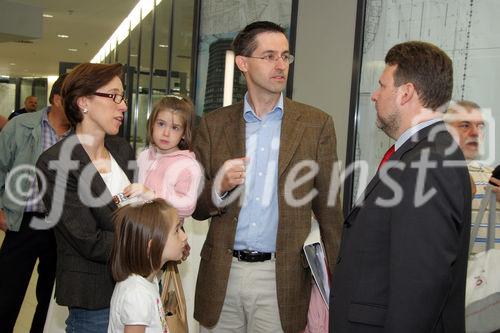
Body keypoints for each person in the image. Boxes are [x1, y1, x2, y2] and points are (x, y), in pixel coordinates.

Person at [192, 21, 343, 333]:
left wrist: (339, 279)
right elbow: (197, 206)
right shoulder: (213, 125)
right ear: (243, 63)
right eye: (270, 56)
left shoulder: (316, 125)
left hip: (283, 279)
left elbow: (330, 211)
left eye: (285, 57)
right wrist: (219, 187)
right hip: (223, 276)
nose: (280, 65)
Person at [331, 41, 472, 332]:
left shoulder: (429, 162)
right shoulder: (416, 153)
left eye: (382, 86)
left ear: (405, 93)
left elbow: (420, 285)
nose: (374, 96)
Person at [36, 63, 152, 332]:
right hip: (95, 299)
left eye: (122, 97)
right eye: (113, 96)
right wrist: (149, 243)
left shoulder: (121, 149)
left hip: (137, 292)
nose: (123, 105)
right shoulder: (55, 163)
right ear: (83, 102)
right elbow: (88, 241)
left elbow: (139, 211)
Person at [0, 74, 70, 333]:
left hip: (61, 227)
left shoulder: (81, 136)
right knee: (7, 294)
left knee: (50, 300)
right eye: (74, 98)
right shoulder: (21, 126)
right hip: (23, 222)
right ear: (58, 99)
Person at [108, 198, 187, 333]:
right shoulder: (137, 295)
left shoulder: (149, 281)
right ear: (152, 246)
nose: (184, 236)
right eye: (177, 230)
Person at [136, 95, 202, 231]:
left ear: (184, 133)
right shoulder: (143, 156)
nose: (166, 133)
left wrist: (154, 196)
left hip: (167, 237)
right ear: (152, 124)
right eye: (161, 124)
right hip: (140, 231)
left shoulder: (188, 165)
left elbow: (188, 206)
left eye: (175, 127)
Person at [444, 100, 500, 253]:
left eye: (480, 126)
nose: (475, 133)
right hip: (453, 274)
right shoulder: (431, 175)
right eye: (465, 125)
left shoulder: (492, 176)